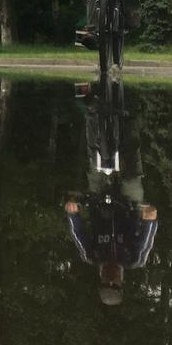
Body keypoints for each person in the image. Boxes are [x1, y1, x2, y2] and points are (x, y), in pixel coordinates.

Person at [64, 93, 159, 305]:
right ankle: (131, 118)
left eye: (107, 284)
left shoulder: (90, 255)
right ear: (121, 283)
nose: (111, 280)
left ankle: (91, 114)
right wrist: (149, 218)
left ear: (100, 281)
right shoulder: (135, 258)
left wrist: (73, 211)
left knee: (94, 166)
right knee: (133, 176)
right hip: (129, 204)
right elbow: (148, 233)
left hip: (99, 202)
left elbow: (77, 231)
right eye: (115, 285)